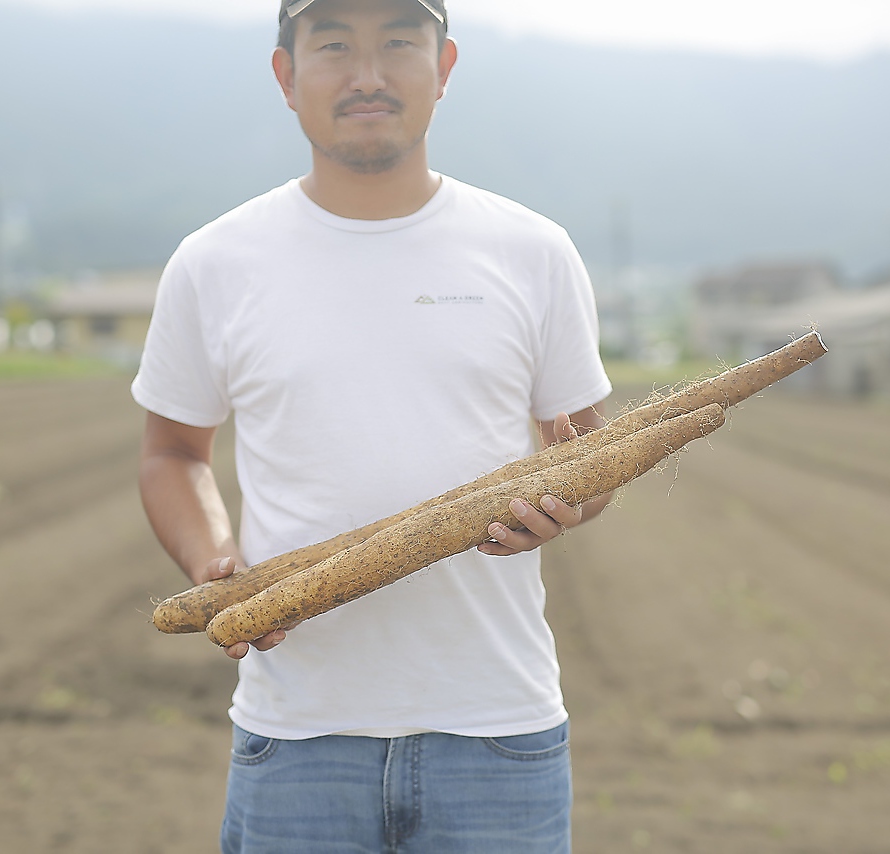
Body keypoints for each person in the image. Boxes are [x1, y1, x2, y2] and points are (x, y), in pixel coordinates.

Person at [132, 0, 613, 850]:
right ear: (286, 75)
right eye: (333, 45)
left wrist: (571, 501)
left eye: (398, 42)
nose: (367, 74)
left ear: (445, 66)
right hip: (297, 735)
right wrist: (217, 562)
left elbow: (589, 455)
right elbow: (173, 453)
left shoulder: (533, 251)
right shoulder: (216, 262)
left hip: (498, 731)